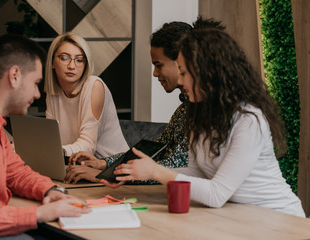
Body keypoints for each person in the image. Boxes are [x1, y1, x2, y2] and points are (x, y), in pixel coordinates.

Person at [103, 24, 306, 217]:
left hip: (279, 218)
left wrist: (155, 171)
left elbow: (216, 194)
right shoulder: (200, 114)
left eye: (184, 72)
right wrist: (138, 173)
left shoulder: (249, 120)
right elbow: (195, 172)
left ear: (207, 72)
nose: (180, 81)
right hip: (239, 217)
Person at [0, 34, 90, 239]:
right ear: (14, 75)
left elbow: (15, 172)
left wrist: (50, 190)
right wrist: (39, 213)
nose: (36, 94)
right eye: (35, 83)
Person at [65, 18, 226, 184]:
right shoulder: (184, 109)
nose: (155, 73)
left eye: (159, 65)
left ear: (181, 61)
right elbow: (155, 153)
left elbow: (173, 167)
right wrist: (103, 163)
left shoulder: (208, 110)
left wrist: (105, 176)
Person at [44, 32, 129, 162]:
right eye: (64, 58)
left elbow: (87, 146)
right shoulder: (53, 93)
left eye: (79, 60)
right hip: (75, 165)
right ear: (52, 62)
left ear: (85, 65)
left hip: (113, 169)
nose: (72, 66)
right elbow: (51, 139)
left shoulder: (94, 86)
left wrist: (57, 151)